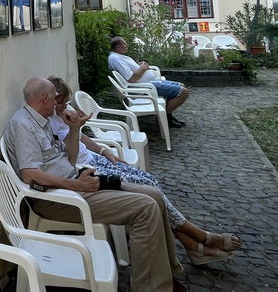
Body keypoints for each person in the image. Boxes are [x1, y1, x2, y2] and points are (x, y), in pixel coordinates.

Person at [4, 76, 186, 292]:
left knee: (153, 194)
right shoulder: (24, 125)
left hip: (74, 183)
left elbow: (69, 160)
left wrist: (74, 129)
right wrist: (77, 185)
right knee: (145, 208)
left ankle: (164, 272)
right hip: (58, 198)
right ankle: (152, 287)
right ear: (44, 98)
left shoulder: (42, 121)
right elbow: (30, 175)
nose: (57, 102)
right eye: (54, 97)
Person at [48, 76, 241, 265]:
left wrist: (104, 151)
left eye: (66, 102)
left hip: (95, 158)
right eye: (60, 103)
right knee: (149, 188)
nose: (65, 106)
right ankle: (196, 237)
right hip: (86, 169)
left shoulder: (63, 114)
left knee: (150, 181)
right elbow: (68, 155)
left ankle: (192, 244)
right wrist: (74, 128)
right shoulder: (48, 124)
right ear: (49, 101)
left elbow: (82, 138)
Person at [109, 36, 190, 127]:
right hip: (146, 87)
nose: (127, 45)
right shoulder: (115, 59)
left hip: (150, 83)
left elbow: (132, 71)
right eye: (125, 44)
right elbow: (131, 78)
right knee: (183, 92)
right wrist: (143, 68)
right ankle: (166, 117)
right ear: (118, 47)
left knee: (181, 85)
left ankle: (167, 115)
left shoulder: (119, 57)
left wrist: (142, 66)